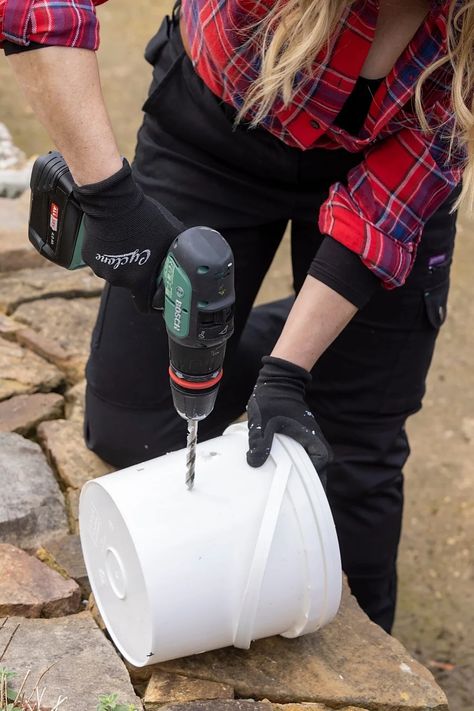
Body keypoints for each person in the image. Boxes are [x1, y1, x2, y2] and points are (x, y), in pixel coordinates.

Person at [3, 0, 472, 634]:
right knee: (131, 432)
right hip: (217, 126)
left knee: (350, 462)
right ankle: (247, 329)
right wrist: (109, 197)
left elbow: (386, 207)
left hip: (380, 164)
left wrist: (289, 371)